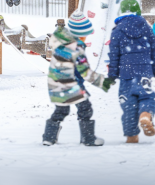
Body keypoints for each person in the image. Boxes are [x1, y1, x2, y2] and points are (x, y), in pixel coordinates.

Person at [42, 11, 109, 146]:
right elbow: (84, 71)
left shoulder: (60, 44)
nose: (85, 38)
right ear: (79, 35)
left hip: (56, 83)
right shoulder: (77, 48)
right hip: (72, 83)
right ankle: (88, 139)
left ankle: (48, 137)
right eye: (84, 35)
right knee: (86, 109)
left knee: (61, 110)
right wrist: (103, 82)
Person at [107, 0, 155, 143]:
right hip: (144, 71)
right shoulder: (146, 27)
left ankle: (131, 135)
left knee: (128, 104)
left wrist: (112, 75)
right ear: (138, 11)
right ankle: (145, 114)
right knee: (146, 97)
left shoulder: (117, 30)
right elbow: (154, 52)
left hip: (126, 74)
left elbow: (114, 55)